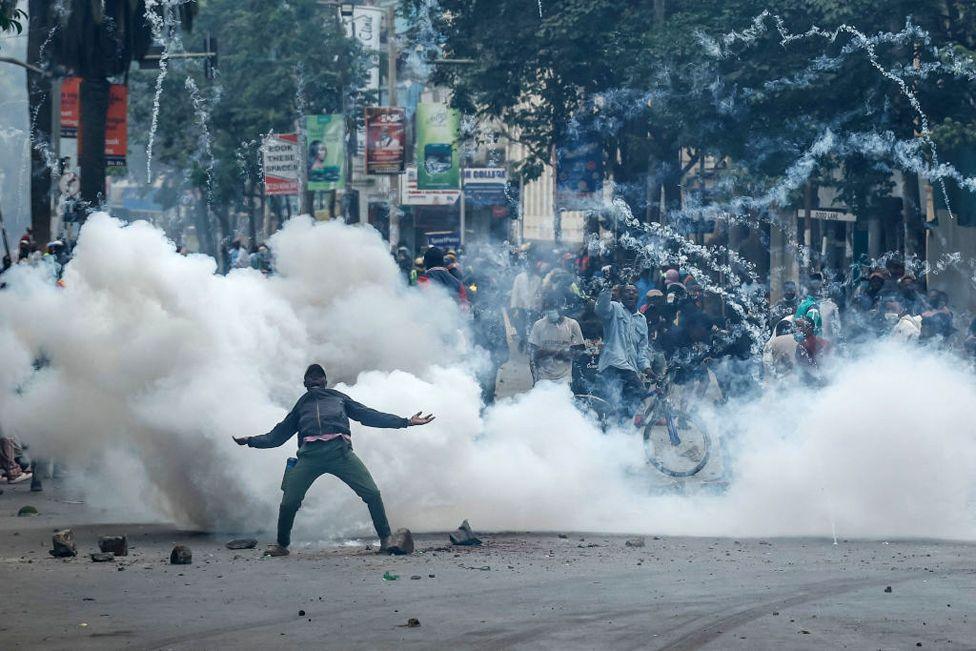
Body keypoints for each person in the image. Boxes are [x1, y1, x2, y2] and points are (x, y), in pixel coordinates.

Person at [233, 364, 434, 557]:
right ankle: (282, 545)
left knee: (372, 493)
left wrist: (405, 421)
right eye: (311, 377)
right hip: (309, 457)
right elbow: (276, 437)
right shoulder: (301, 405)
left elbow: (369, 415)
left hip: (341, 454)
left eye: (318, 376)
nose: (314, 380)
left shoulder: (339, 398)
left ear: (324, 381)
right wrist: (251, 441)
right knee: (289, 503)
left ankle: (385, 540)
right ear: (305, 383)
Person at [595, 283, 653, 419]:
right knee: (640, 392)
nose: (631, 294)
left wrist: (647, 368)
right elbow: (600, 309)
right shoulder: (614, 308)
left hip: (631, 369)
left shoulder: (642, 320)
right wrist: (607, 287)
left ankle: (616, 431)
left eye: (634, 291)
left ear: (639, 296)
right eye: (627, 291)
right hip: (613, 365)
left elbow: (642, 350)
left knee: (628, 409)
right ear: (621, 295)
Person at [528, 294, 584, 385]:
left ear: (561, 308)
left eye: (553, 308)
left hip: (564, 377)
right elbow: (532, 352)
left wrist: (568, 353)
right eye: (548, 309)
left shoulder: (572, 325)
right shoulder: (539, 325)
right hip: (543, 377)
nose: (551, 312)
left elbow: (580, 351)